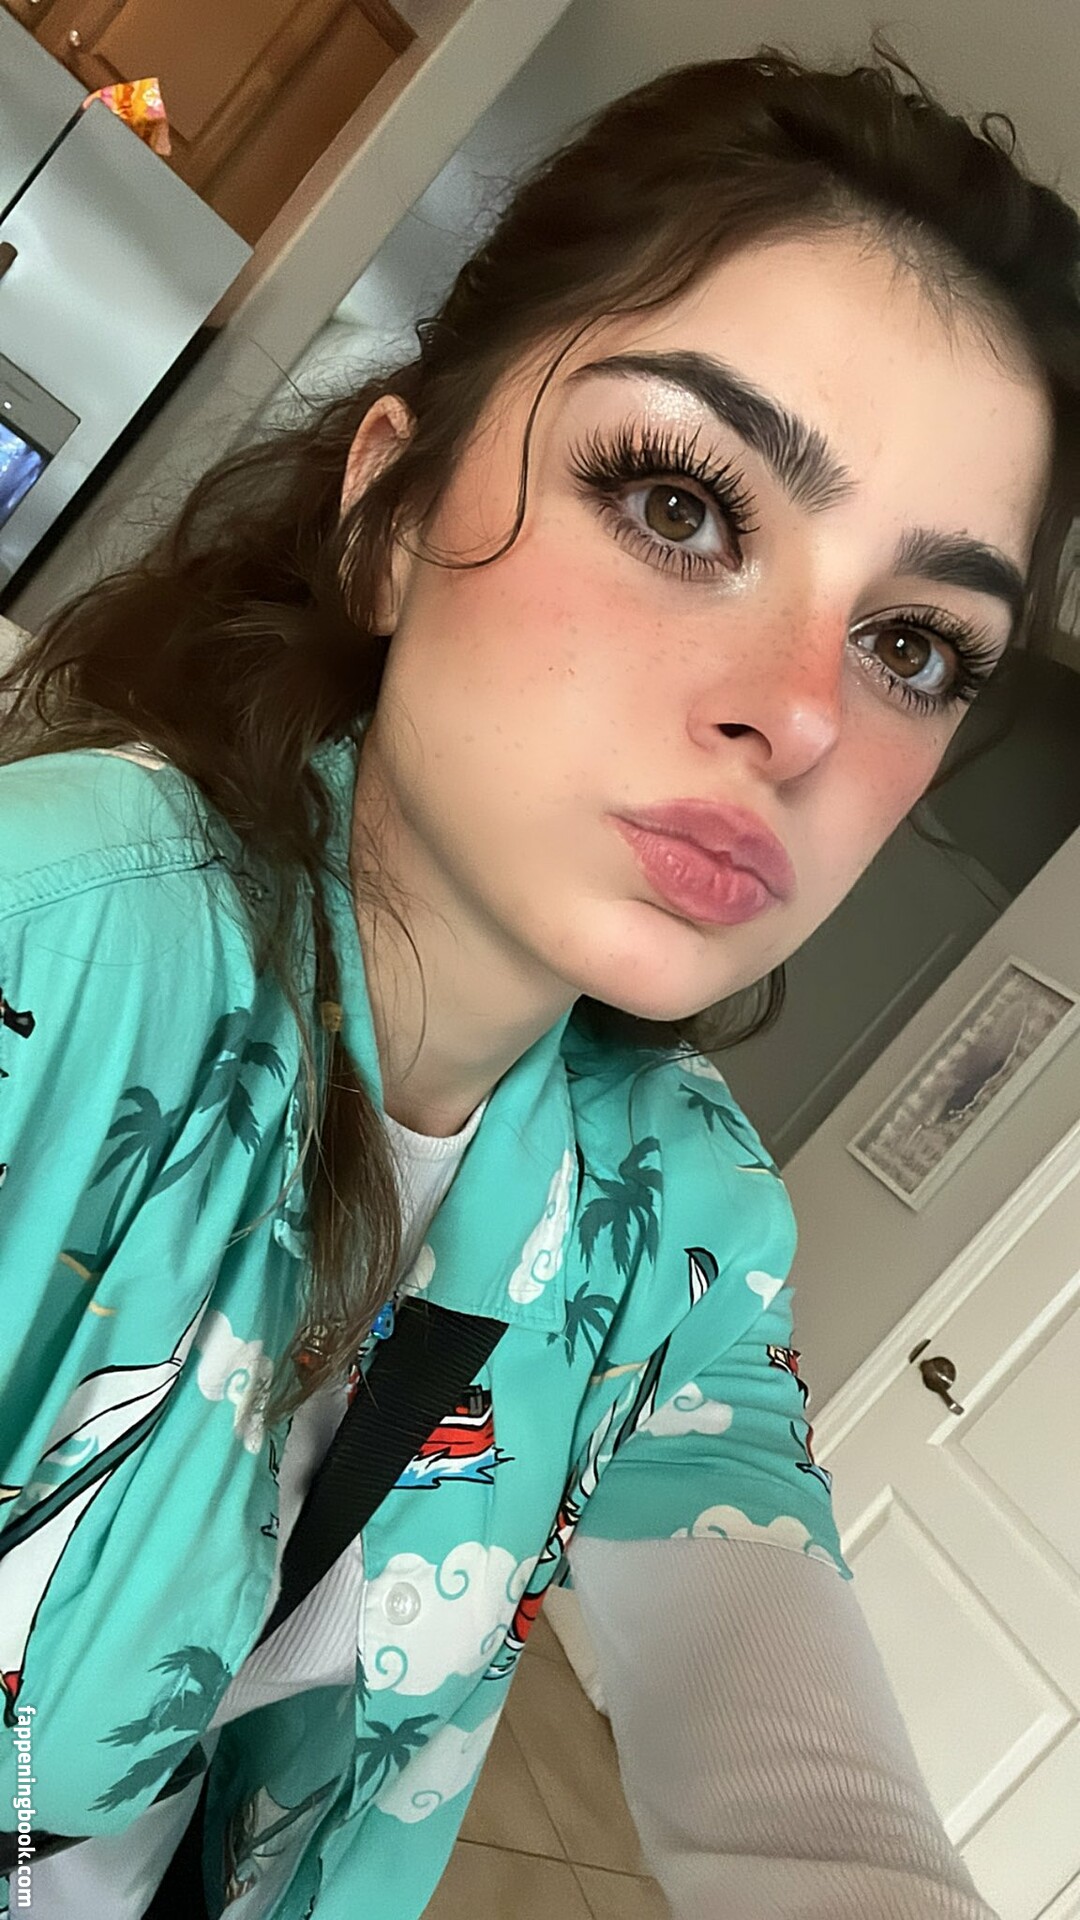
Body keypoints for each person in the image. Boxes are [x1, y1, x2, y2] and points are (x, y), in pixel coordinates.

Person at [0, 36, 1075, 1920]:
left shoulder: (679, 1219)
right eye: (682, 505)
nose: (804, 714)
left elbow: (800, 1810)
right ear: (390, 519)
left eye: (914, 643)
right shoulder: (59, 936)